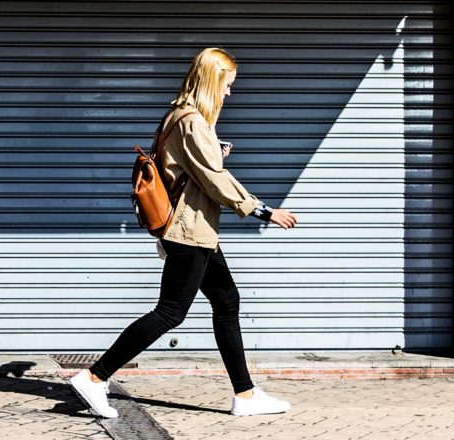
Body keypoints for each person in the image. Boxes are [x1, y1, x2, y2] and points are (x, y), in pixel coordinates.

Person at [70, 48, 298, 419]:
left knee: (226, 301)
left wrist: (214, 157)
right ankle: (95, 377)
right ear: (212, 81)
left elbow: (193, 170)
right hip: (188, 231)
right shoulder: (192, 122)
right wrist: (264, 211)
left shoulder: (177, 116)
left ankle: (246, 394)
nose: (229, 94)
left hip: (196, 230)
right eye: (227, 85)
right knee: (171, 312)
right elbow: (215, 181)